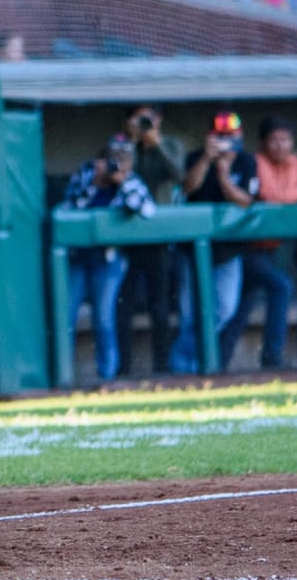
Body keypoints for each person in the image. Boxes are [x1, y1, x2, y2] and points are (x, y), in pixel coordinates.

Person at [219, 116, 297, 370]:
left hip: (272, 248)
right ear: (263, 143)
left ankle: (218, 363)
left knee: (240, 310)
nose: (280, 145)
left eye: (285, 140)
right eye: (274, 140)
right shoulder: (255, 161)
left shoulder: (294, 163)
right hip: (246, 247)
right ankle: (272, 360)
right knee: (280, 287)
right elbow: (273, 198)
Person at [170, 110, 259, 373]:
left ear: (240, 136)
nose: (226, 142)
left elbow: (246, 201)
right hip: (192, 249)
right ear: (211, 136)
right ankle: (184, 369)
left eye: (230, 136)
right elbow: (187, 188)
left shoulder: (245, 161)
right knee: (189, 314)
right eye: (221, 136)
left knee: (223, 309)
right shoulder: (196, 158)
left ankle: (191, 362)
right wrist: (208, 160)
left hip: (228, 249)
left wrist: (224, 173)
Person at [61, 135, 151, 381]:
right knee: (65, 315)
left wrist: (121, 182)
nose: (118, 163)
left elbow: (146, 210)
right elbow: (68, 208)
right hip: (77, 257)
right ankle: (62, 374)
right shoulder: (86, 174)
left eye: (124, 158)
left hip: (109, 259)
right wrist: (96, 182)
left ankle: (107, 375)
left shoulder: (131, 181)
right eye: (114, 157)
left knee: (103, 317)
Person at [113, 105, 184, 376]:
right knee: (124, 303)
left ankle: (162, 368)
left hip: (160, 236)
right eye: (139, 118)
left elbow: (180, 176)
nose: (144, 123)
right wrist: (132, 142)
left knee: (160, 304)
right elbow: (120, 173)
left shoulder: (171, 144)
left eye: (149, 118)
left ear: (159, 119)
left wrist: (157, 145)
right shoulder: (124, 144)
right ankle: (124, 369)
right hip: (127, 235)